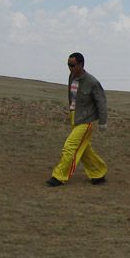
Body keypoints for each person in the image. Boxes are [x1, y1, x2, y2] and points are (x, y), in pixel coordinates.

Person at [46, 52, 108, 187]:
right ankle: (98, 173)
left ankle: (59, 176)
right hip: (74, 117)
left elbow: (101, 102)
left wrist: (103, 122)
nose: (70, 68)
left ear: (80, 64)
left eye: (72, 65)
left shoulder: (92, 82)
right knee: (85, 149)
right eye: (68, 65)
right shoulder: (71, 77)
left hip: (85, 121)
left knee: (70, 147)